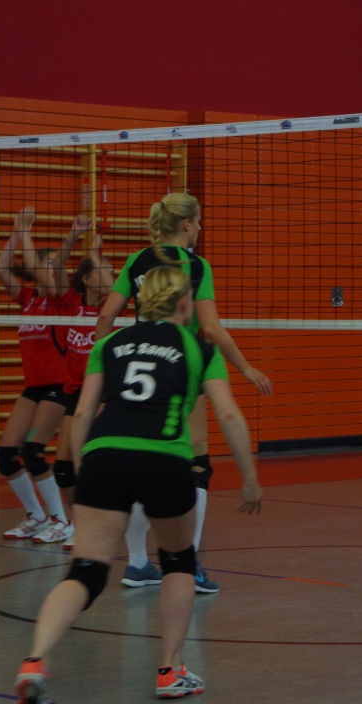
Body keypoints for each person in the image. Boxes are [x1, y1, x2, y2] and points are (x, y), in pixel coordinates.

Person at [12, 265, 263, 703]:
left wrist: (82, 473)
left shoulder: (108, 343)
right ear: (184, 302)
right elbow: (227, 414)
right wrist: (250, 479)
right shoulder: (200, 348)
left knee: (86, 570)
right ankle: (170, 671)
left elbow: (83, 413)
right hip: (165, 458)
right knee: (179, 561)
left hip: (104, 454)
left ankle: (34, 662)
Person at [96, 192, 272, 592]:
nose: (201, 228)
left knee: (139, 461)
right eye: (199, 222)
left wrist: (107, 367)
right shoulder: (196, 265)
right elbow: (210, 328)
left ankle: (137, 564)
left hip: (136, 360)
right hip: (180, 366)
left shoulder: (136, 260)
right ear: (187, 224)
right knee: (196, 463)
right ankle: (187, 564)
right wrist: (246, 368)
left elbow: (106, 316)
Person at [0, 207, 87, 542]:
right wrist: (16, 232)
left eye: (51, 266)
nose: (48, 270)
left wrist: (27, 233)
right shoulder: (29, 299)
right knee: (5, 454)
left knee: (34, 451)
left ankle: (61, 519)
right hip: (33, 387)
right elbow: (1, 268)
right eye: (46, 265)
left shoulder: (61, 300)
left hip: (59, 386)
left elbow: (36, 268)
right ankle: (36, 515)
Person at [38, 234, 115, 548]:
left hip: (104, 394)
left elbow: (115, 289)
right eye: (105, 270)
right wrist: (72, 239)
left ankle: (100, 525)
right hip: (74, 392)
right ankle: (79, 524)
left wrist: (95, 255)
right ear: (86, 278)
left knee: (92, 464)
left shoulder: (114, 308)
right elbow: (57, 271)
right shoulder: (70, 302)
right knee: (63, 470)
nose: (112, 276)